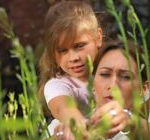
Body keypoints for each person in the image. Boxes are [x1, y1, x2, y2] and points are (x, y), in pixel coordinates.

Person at [38, 0, 103, 132]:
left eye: (79, 46)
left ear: (99, 37)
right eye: (63, 50)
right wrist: (79, 124)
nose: (73, 58)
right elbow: (63, 108)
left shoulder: (114, 71)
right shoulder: (58, 85)